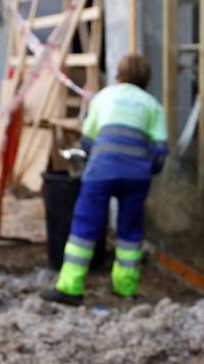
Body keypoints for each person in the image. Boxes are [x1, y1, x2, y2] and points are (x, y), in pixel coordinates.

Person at [41, 54, 168, 305]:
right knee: (130, 230)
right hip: (137, 177)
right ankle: (125, 287)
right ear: (146, 82)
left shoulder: (104, 97)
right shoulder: (153, 105)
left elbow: (87, 140)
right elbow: (160, 149)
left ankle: (70, 286)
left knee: (85, 226)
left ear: (118, 77)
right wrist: (147, 170)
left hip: (101, 173)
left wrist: (92, 158)